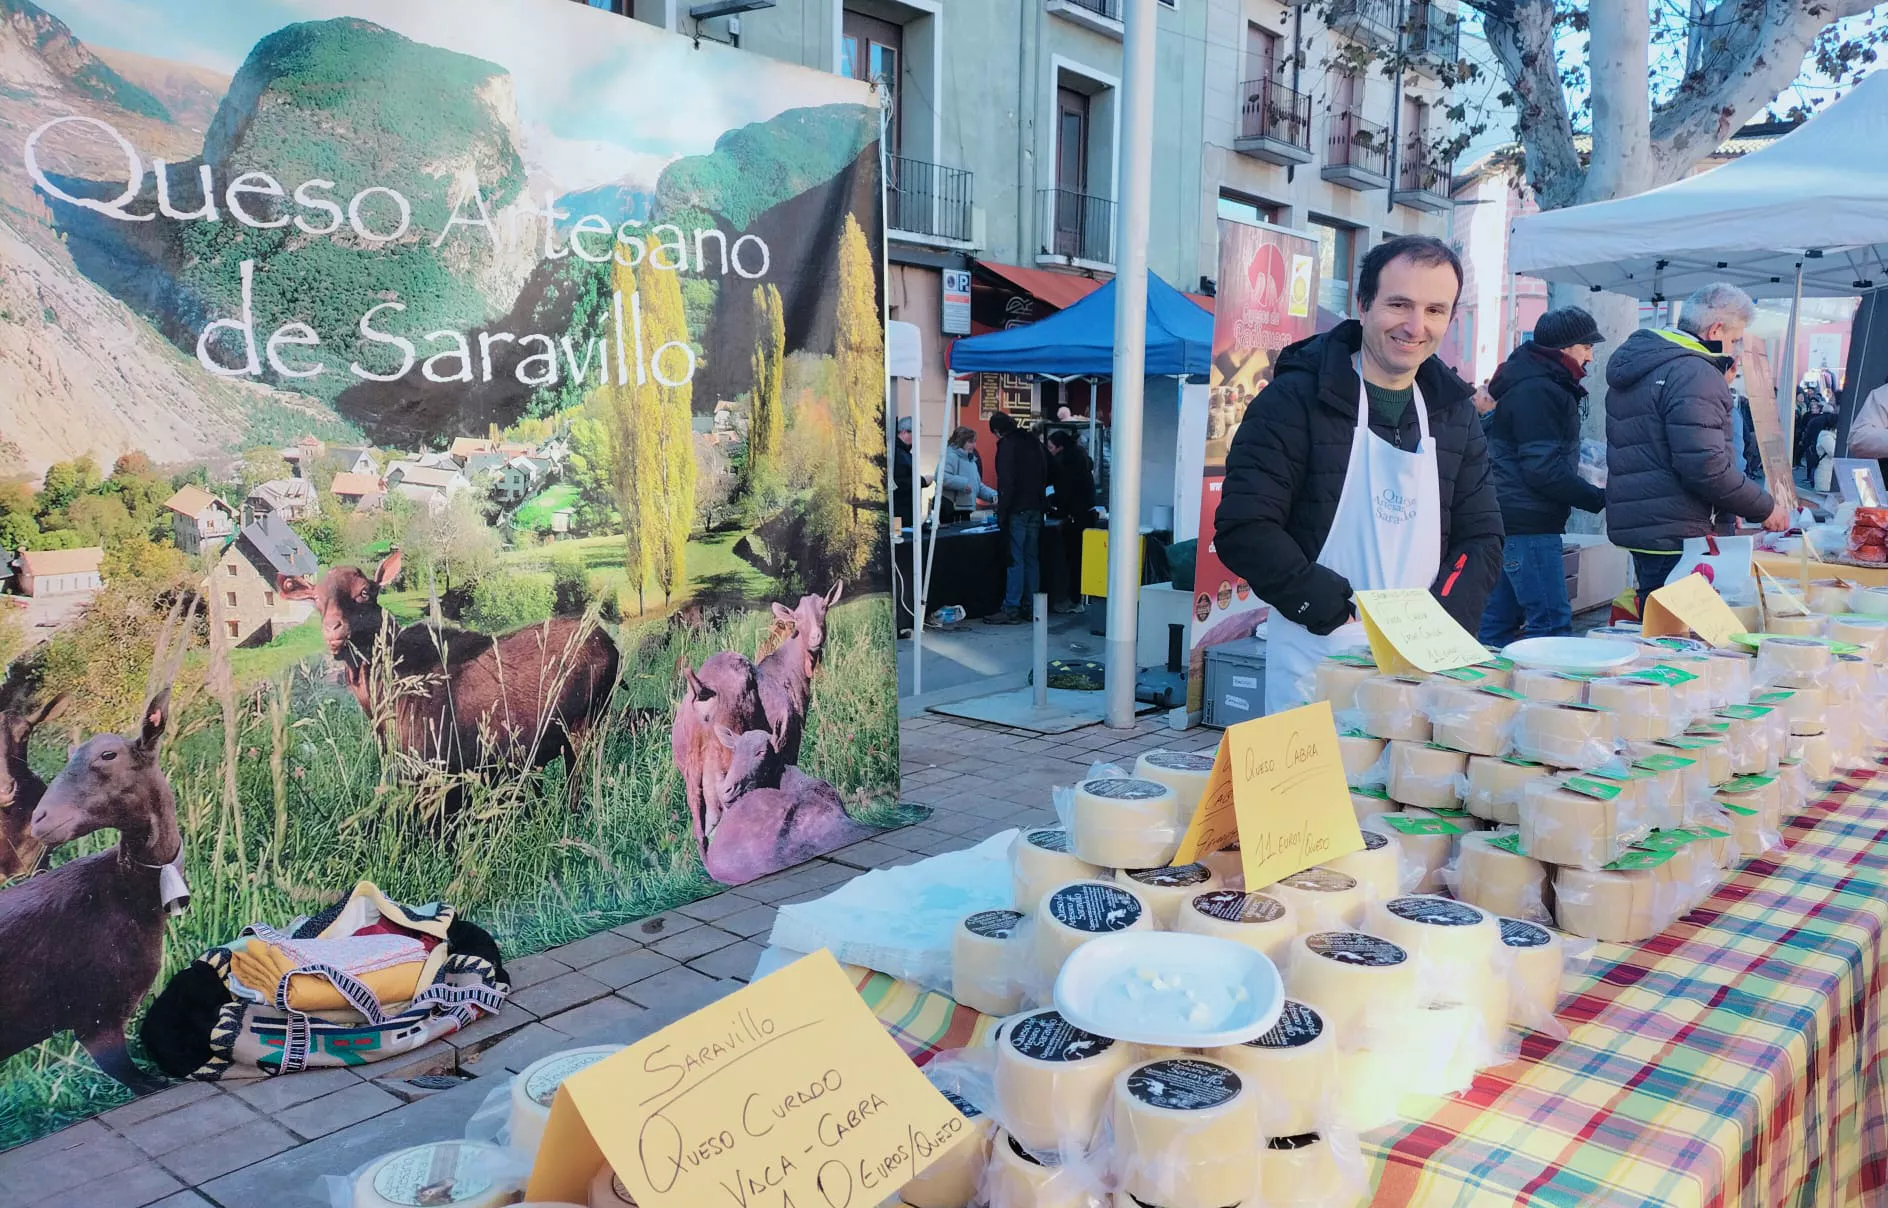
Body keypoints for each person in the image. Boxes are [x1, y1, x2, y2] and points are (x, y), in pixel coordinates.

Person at [1214, 234, 1503, 713]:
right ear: (1363, 304)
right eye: (1399, 304)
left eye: (1435, 310)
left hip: (1420, 665)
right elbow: (1245, 529)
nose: (1415, 326)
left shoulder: (1454, 413)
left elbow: (1484, 536)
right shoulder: (1293, 401)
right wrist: (1330, 608)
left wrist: (1442, 619)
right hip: (1320, 655)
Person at [1605, 282, 1786, 607]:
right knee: (1677, 636)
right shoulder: (1694, 371)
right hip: (1683, 535)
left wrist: (1733, 507)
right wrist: (1764, 507)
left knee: (1657, 622)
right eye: (1734, 338)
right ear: (1716, 329)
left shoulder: (1650, 363)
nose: (1733, 349)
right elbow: (1706, 466)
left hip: (1651, 528)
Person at [1478, 308, 1607, 645]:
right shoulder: (1541, 388)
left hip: (1511, 519)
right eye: (1587, 347)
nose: (1590, 356)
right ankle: (1540, 694)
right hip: (1530, 523)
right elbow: (1541, 468)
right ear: (1566, 348)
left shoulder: (1532, 380)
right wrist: (1597, 497)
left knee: (1497, 624)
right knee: (1550, 627)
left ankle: (1482, 693)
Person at [987, 411, 1046, 625]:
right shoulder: (1033, 441)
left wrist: (1003, 511)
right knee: (1032, 558)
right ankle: (1032, 606)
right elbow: (1045, 472)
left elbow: (1007, 481)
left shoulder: (1007, 445)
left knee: (1015, 559)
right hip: (1035, 507)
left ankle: (1011, 607)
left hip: (1017, 508)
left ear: (997, 430)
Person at [1045, 429, 1095, 614]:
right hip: (1086, 515)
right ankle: (1079, 598)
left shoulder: (1064, 465)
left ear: (1060, 447)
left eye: (1051, 447)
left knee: (1073, 561)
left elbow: (1064, 495)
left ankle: (1074, 599)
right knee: (1081, 560)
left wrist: (1051, 502)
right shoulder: (1082, 460)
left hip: (1074, 518)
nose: (1049, 451)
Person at [937, 426, 996, 522]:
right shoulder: (951, 456)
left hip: (964, 510)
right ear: (960, 442)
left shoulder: (971, 459)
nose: (974, 445)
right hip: (951, 509)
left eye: (974, 442)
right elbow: (941, 477)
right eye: (970, 442)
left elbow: (977, 485)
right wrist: (963, 484)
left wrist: (993, 496)